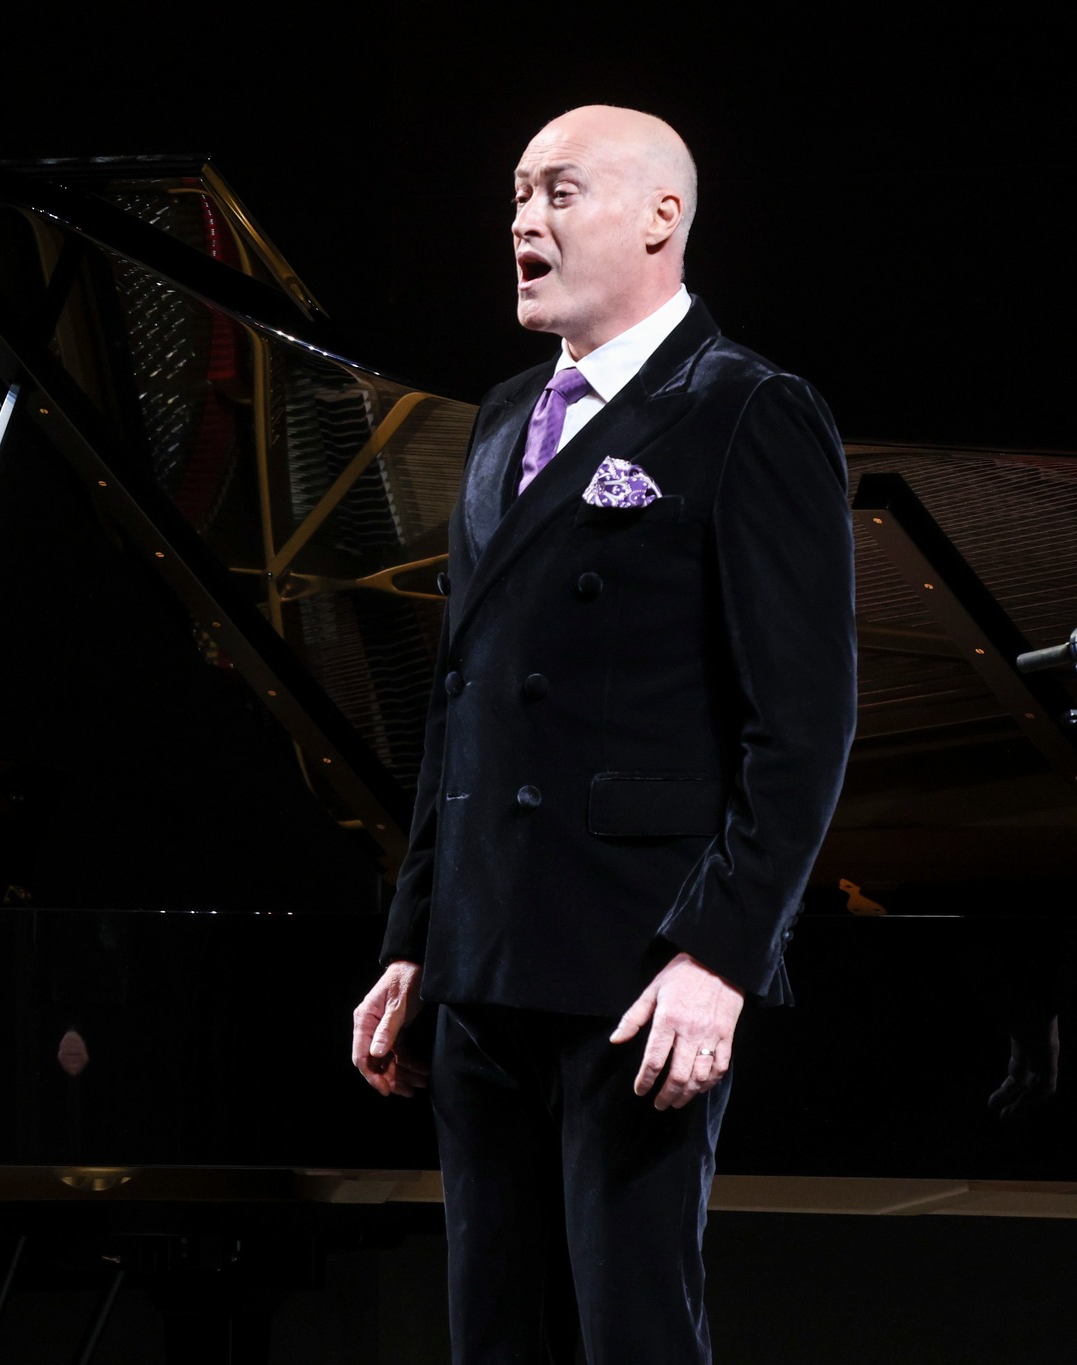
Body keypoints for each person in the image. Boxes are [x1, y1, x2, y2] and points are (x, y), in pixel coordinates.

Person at [348, 105, 856, 1362]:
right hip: (480, 964)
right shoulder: (503, 415)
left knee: (629, 1332)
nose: (523, 220)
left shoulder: (744, 408)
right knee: (493, 1335)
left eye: (558, 192)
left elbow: (802, 727)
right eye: (516, 194)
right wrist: (417, 938)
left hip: (635, 965)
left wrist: (719, 958)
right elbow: (459, 709)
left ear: (658, 216)